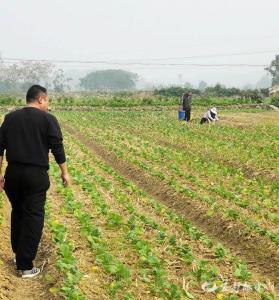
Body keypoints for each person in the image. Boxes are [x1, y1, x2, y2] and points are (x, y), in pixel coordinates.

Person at [0, 85, 69, 278]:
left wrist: (0, 175)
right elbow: (57, 148)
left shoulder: (10, 118)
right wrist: (64, 172)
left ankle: (18, 255)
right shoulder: (48, 120)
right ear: (40, 99)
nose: (47, 104)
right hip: (35, 175)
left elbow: (0, 149)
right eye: (47, 100)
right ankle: (26, 266)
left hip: (13, 173)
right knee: (34, 216)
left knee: (18, 212)